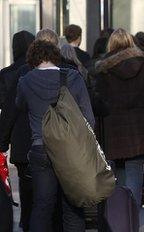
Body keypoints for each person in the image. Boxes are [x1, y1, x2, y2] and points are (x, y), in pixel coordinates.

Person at [16, 40, 94, 231]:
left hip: (40, 148)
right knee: (73, 207)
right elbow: (89, 118)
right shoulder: (74, 78)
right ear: (55, 56)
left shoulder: (25, 81)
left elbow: (20, 105)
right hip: (70, 150)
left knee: (42, 205)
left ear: (32, 59)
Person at [94, 29, 144, 208]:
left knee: (116, 180)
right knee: (134, 177)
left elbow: (98, 102)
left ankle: (117, 220)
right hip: (139, 132)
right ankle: (131, 221)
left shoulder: (103, 70)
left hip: (112, 132)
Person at [0, 30, 35, 232]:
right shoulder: (33, 70)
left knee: (24, 179)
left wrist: (2, 143)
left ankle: (26, 218)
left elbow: (6, 111)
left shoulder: (6, 74)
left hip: (19, 137)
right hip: (39, 133)